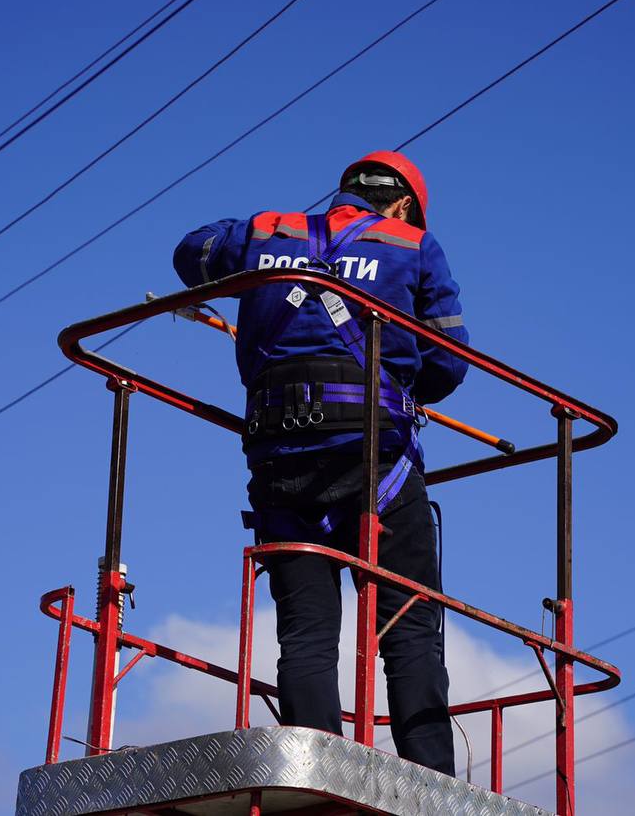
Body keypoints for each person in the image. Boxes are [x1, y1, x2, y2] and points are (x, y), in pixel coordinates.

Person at [172, 151, 467, 775]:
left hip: (277, 451)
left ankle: (318, 771)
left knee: (305, 631)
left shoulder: (265, 231)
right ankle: (432, 779)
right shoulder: (413, 244)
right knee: (409, 627)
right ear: (404, 203)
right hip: (374, 456)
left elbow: (190, 253)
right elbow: (448, 363)